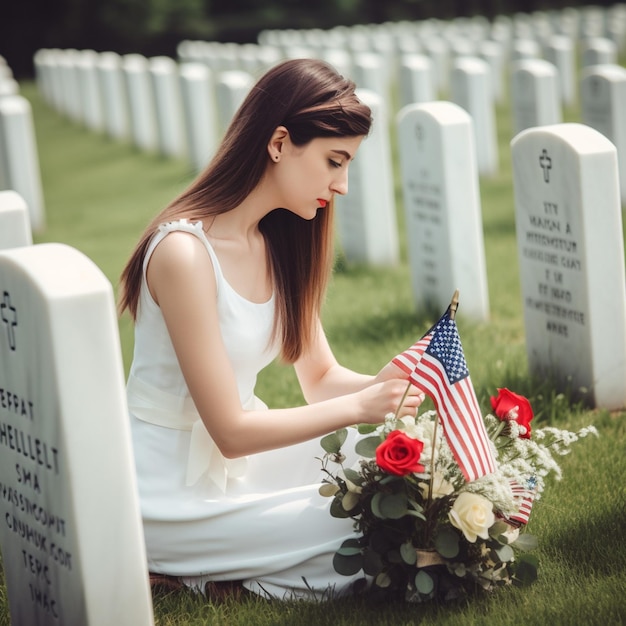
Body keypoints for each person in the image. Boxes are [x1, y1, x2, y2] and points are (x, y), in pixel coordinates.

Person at [118, 58, 423, 601]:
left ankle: (234, 572)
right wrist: (362, 407)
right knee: (370, 524)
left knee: (404, 467)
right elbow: (230, 433)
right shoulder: (184, 254)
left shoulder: (278, 242)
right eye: (335, 161)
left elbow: (323, 377)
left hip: (243, 467)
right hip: (168, 491)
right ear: (280, 142)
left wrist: (398, 385)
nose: (343, 185)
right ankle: (194, 568)